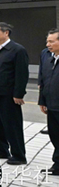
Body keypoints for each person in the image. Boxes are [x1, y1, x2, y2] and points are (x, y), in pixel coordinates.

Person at [0, 22, 29, 165]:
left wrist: (18, 94)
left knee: (12, 125)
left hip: (9, 95)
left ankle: (19, 154)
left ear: (6, 33)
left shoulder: (17, 50)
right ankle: (2, 150)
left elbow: (22, 74)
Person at [39, 29, 59, 175]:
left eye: (52, 41)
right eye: (47, 41)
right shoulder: (48, 57)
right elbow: (43, 81)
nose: (48, 44)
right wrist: (42, 101)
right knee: (55, 136)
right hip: (52, 105)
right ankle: (57, 165)